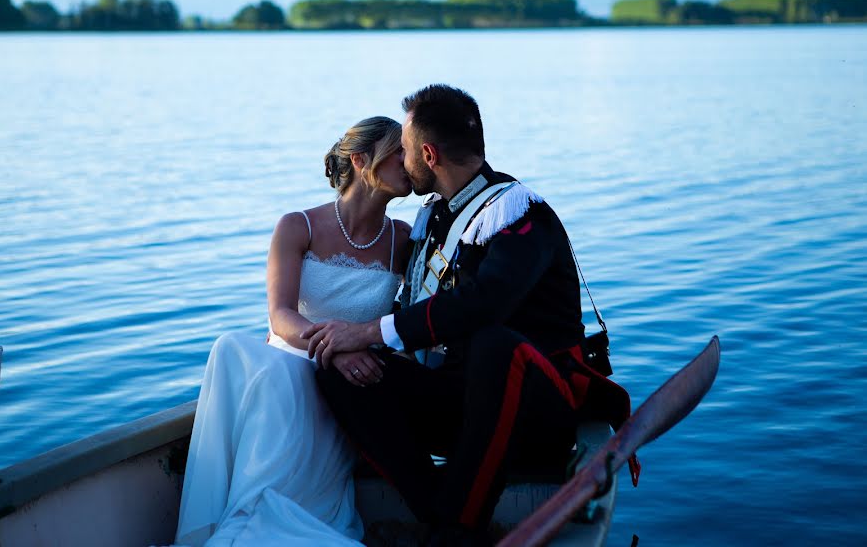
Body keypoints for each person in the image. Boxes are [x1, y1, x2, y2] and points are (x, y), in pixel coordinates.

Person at [306, 85, 639, 544]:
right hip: (462, 404)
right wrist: (350, 346)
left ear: (427, 154)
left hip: (533, 410)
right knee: (335, 370)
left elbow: (485, 303)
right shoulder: (434, 217)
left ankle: (458, 526)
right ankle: (439, 508)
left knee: (493, 341)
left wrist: (367, 331)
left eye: (403, 151)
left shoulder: (519, 212)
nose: (401, 163)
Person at [174, 116, 413, 546]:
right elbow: (281, 314)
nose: (408, 159)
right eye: (398, 151)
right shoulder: (297, 226)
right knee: (235, 350)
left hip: (347, 385)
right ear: (362, 160)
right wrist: (336, 347)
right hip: (294, 361)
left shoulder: (404, 239)